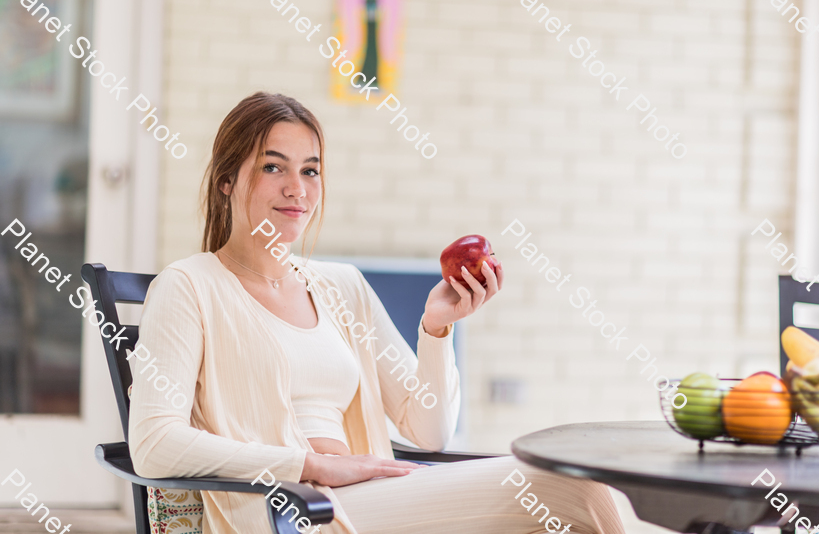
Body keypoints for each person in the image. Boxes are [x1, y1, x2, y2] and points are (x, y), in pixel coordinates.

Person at [129, 92, 625, 534]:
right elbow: (154, 444)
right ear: (225, 181)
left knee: (565, 515)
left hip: (366, 498)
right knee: (575, 491)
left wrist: (436, 328)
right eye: (273, 167)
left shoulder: (342, 286)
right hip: (290, 512)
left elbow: (428, 432)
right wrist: (309, 466)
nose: (297, 188)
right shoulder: (190, 286)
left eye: (310, 170)